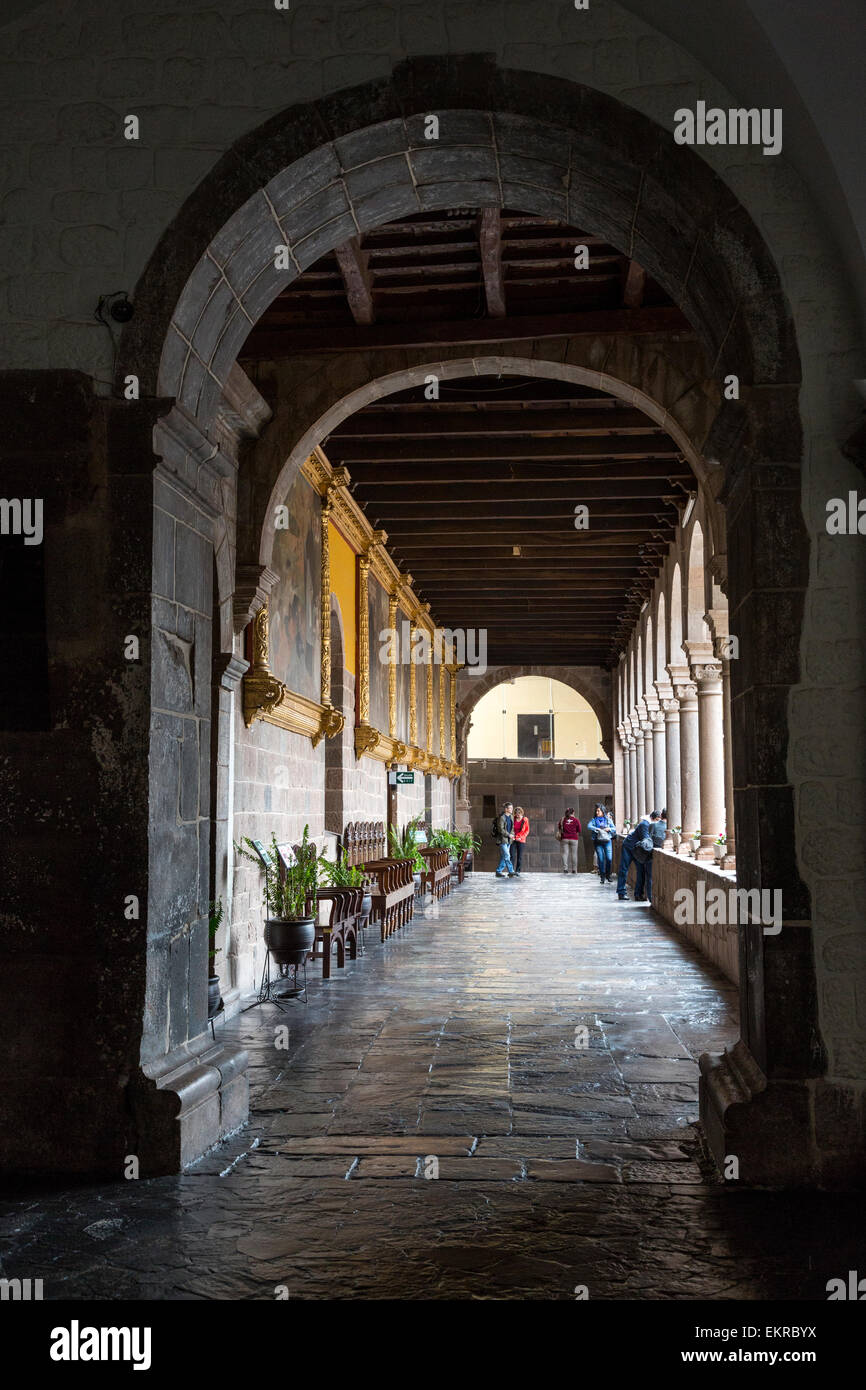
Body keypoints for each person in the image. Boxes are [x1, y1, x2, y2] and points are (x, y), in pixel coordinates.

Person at [616, 813, 653, 900]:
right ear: (655, 818)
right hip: (629, 847)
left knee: (641, 871)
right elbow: (646, 839)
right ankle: (621, 892)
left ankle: (638, 894)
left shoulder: (648, 824)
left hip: (637, 849)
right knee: (624, 869)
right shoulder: (644, 824)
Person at [636, 808, 666, 902]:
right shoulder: (670, 828)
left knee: (649, 877)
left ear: (661, 816)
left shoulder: (653, 825)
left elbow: (648, 840)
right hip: (659, 852)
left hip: (650, 854)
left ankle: (650, 898)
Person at [588, 803, 616, 883]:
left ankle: (608, 875)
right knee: (600, 859)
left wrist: (609, 829)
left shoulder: (608, 820)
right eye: (596, 811)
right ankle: (602, 876)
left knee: (609, 859)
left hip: (607, 841)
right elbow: (589, 826)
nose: (597, 812)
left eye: (598, 811)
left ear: (603, 811)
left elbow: (614, 828)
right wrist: (596, 828)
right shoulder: (594, 820)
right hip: (597, 841)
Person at [493, 801, 515, 878]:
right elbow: (500, 830)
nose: (512, 809)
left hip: (509, 840)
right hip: (502, 840)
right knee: (507, 855)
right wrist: (509, 835)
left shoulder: (511, 817)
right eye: (510, 808)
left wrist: (512, 835)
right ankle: (511, 871)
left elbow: (512, 828)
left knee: (504, 856)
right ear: (506, 809)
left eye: (512, 808)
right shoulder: (502, 818)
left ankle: (498, 871)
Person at [557, 806, 582, 873]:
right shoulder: (576, 820)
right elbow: (579, 830)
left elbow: (559, 827)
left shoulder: (562, 819)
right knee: (574, 854)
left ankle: (565, 869)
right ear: (573, 812)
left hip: (564, 838)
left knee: (565, 853)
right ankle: (574, 869)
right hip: (574, 838)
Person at [510, 806, 529, 875]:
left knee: (519, 856)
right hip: (513, 839)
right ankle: (511, 870)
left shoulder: (525, 820)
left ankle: (518, 870)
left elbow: (527, 830)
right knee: (512, 855)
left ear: (522, 813)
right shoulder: (513, 819)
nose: (518, 815)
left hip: (521, 840)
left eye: (519, 813)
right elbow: (510, 829)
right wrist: (512, 836)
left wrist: (521, 837)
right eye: (516, 813)